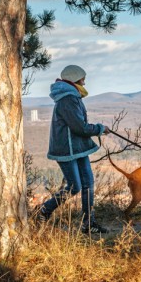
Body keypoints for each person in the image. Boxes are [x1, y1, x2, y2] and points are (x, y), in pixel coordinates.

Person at [37, 64, 109, 233]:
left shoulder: (72, 96)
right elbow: (79, 127)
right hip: (66, 149)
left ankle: (89, 223)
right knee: (75, 186)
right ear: (75, 80)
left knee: (88, 184)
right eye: (82, 80)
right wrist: (99, 128)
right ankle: (43, 211)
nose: (84, 83)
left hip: (77, 147)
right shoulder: (68, 99)